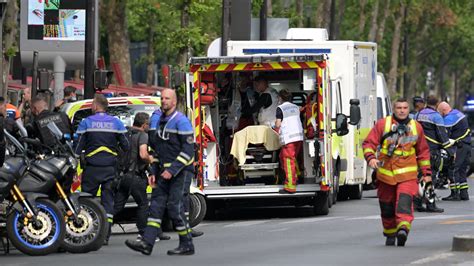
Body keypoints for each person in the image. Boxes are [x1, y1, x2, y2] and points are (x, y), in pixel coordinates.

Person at [125, 88, 195, 256]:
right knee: (155, 207)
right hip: (163, 172)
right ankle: (147, 244)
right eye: (162, 98)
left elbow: (188, 151)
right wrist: (154, 172)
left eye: (167, 98)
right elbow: (157, 152)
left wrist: (172, 170)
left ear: (174, 102)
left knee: (174, 208)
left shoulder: (182, 121)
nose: (163, 101)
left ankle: (187, 244)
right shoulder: (160, 122)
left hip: (181, 172)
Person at [362, 98, 431, 247]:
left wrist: (426, 174)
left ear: (408, 109)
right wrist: (371, 158)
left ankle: (403, 230)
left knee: (404, 204)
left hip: (407, 176)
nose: (402, 110)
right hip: (386, 174)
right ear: (393, 109)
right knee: (386, 207)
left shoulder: (416, 127)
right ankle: (390, 233)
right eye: (399, 107)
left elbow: (423, 152)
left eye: (405, 108)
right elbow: (368, 143)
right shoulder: (383, 124)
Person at [75, 94, 129, 245]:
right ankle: (105, 235)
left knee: (86, 201)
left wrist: (75, 161)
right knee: (108, 203)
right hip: (110, 169)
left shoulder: (86, 122)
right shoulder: (116, 123)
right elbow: (126, 145)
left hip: (92, 169)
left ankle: (87, 233)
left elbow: (77, 146)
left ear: (96, 106)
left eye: (92, 104)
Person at [113, 112, 154, 240]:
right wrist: (150, 159)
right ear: (144, 124)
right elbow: (142, 154)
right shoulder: (143, 135)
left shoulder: (125, 133)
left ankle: (102, 231)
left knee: (116, 206)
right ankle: (143, 234)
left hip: (122, 176)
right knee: (143, 204)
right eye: (149, 124)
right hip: (135, 177)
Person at [413, 95, 451, 212]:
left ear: (426, 102)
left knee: (419, 177)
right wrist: (449, 149)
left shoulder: (418, 114)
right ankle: (430, 204)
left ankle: (417, 203)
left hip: (419, 150)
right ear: (437, 103)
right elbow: (442, 134)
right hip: (432, 151)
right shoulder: (436, 116)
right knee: (430, 177)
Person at [438, 101, 470, 201]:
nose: (440, 114)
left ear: (443, 110)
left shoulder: (449, 119)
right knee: (462, 170)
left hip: (458, 146)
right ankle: (464, 193)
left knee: (453, 168)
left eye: (440, 112)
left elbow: (444, 134)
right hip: (466, 145)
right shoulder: (458, 113)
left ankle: (455, 194)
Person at [273, 89, 304, 194]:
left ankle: (290, 186)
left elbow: (277, 124)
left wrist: (274, 126)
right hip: (298, 137)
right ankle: (296, 177)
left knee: (288, 161)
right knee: (287, 157)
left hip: (289, 139)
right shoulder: (296, 107)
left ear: (280, 98)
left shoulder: (280, 108)